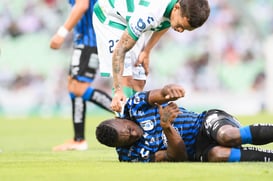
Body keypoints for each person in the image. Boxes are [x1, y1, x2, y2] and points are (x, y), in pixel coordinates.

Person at [96, 84, 273, 162]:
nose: (135, 134)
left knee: (226, 136)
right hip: (197, 151)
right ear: (120, 146)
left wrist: (168, 91)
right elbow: (178, 157)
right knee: (217, 155)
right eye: (128, 139)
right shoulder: (131, 156)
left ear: (119, 118)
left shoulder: (134, 106)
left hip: (205, 123)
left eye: (129, 129)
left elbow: (159, 94)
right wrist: (166, 127)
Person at [92, 0, 211, 112]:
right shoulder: (150, 14)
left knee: (139, 82)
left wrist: (146, 51)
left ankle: (134, 122)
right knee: (126, 81)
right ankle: (123, 127)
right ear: (176, 7)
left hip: (131, 19)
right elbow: (120, 50)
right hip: (111, 16)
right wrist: (118, 90)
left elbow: (166, 22)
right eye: (180, 25)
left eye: (185, 29)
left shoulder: (178, 8)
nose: (180, 30)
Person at [50, 0, 113, 151]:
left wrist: (61, 33)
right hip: (84, 39)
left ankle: (127, 111)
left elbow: (82, 5)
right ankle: (79, 140)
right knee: (73, 85)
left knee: (79, 88)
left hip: (90, 40)